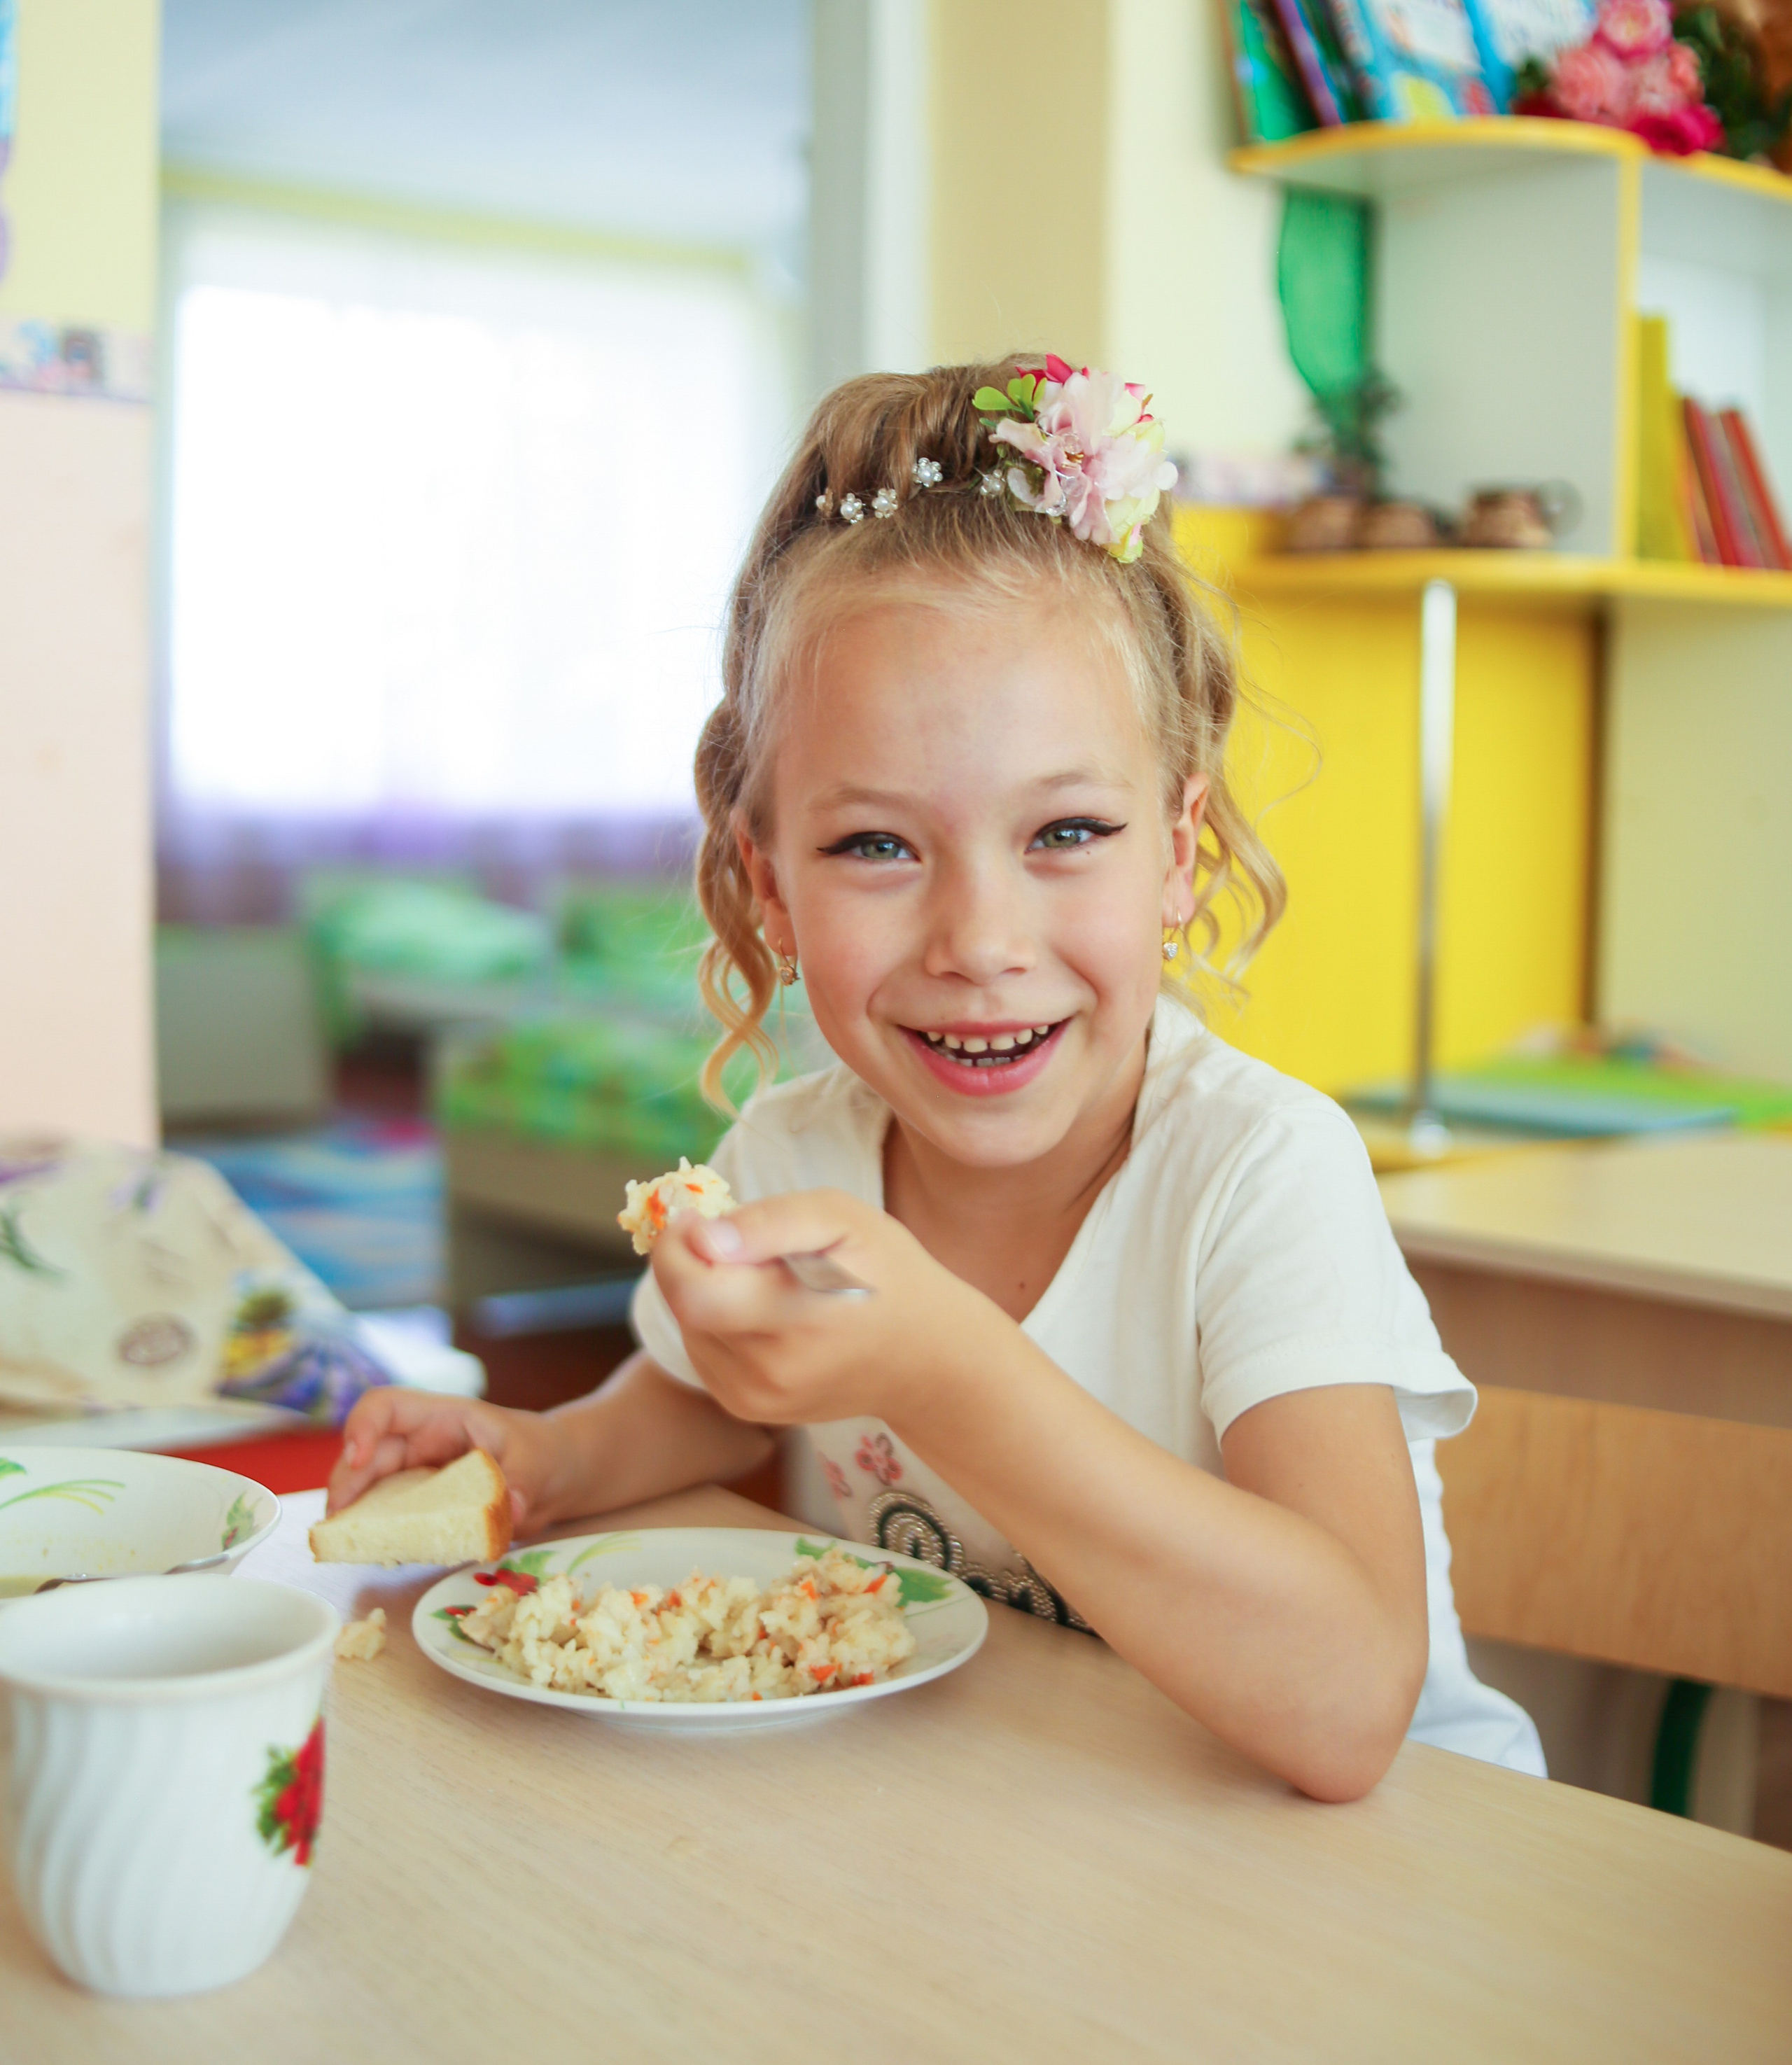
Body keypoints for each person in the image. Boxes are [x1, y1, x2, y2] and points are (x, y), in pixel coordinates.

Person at [329, 355, 1543, 1799]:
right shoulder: (794, 1145)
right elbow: (717, 1395)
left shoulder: (1258, 1174)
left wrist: (940, 1365)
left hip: (1374, 1877)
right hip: (1029, 1820)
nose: (980, 941)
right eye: (877, 847)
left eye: (1067, 832)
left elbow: (1348, 1707)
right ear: (767, 891)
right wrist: (542, 1460)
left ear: (1181, 853)